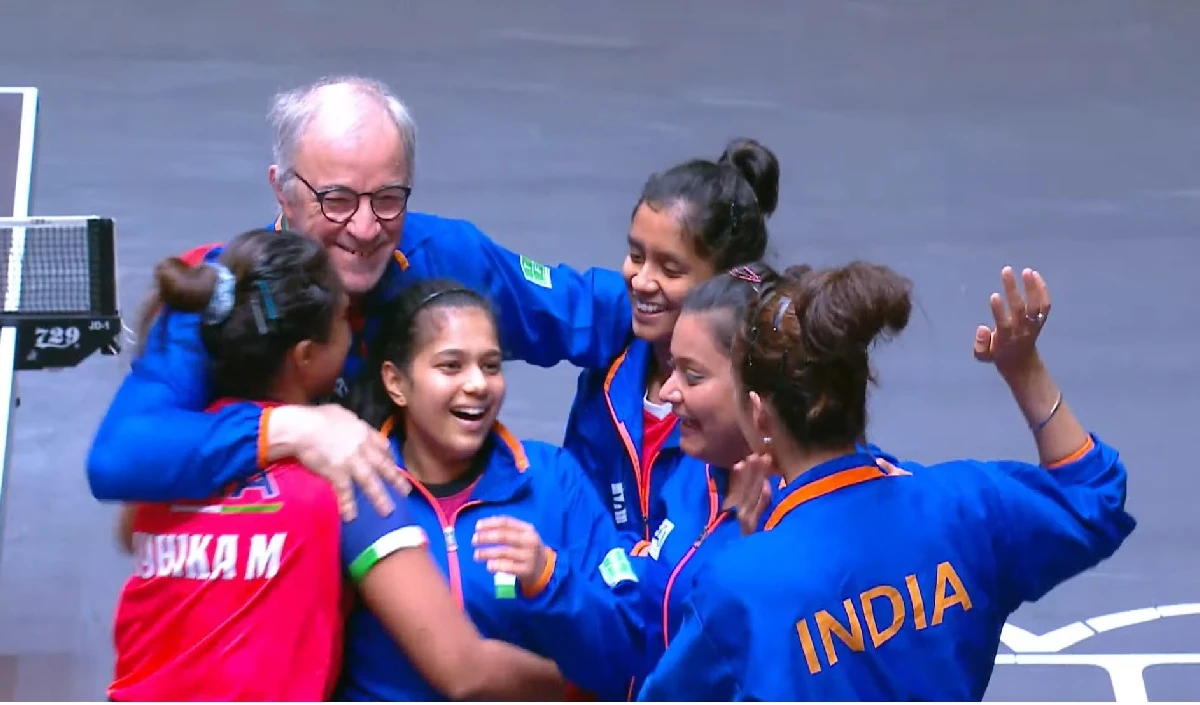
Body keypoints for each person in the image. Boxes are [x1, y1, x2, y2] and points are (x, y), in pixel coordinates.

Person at [86, 75, 631, 520]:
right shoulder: (224, 289)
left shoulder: (449, 254)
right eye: (337, 200)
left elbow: (604, 312)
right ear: (283, 191)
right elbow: (121, 455)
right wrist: (292, 429)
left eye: (388, 198)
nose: (367, 228)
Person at [638, 263, 1137, 701]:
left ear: (759, 415)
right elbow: (1093, 497)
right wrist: (1023, 369)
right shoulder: (966, 507)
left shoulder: (735, 586)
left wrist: (757, 546)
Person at [109, 228, 565, 702]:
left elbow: (130, 533)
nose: (354, 335)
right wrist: (601, 682)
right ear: (307, 356)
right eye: (344, 321)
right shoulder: (349, 471)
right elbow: (466, 671)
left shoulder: (174, 458)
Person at [481, 262, 783, 699]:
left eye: (692, 376)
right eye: (672, 368)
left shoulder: (816, 509)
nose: (667, 392)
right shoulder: (693, 478)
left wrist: (757, 562)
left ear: (760, 392)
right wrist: (553, 578)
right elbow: (635, 631)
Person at [339, 278, 646, 701]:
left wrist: (550, 578)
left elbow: (626, 655)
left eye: (491, 365)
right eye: (451, 366)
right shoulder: (356, 490)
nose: (478, 385)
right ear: (396, 383)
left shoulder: (553, 482)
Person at [563, 137, 780, 545]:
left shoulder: (757, 414)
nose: (642, 281)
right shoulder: (606, 380)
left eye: (670, 268)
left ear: (724, 281)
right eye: (636, 255)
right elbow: (575, 517)